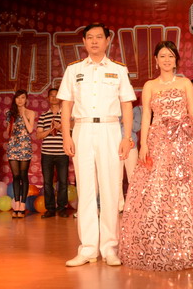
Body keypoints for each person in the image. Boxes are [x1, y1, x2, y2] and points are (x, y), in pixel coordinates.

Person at [119, 41, 193, 271]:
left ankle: (191, 241)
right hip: (159, 141)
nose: (166, 60)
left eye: (170, 56)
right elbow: (147, 116)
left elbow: (192, 112)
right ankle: (158, 242)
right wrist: (144, 144)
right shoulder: (150, 85)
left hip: (183, 140)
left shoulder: (184, 83)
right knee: (158, 189)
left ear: (176, 60)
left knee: (187, 187)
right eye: (162, 56)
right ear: (156, 60)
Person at [58, 23, 136, 267]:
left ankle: (110, 248)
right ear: (83, 41)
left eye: (99, 37)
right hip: (82, 130)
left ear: (107, 40)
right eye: (89, 37)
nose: (94, 41)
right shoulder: (74, 70)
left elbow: (126, 105)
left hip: (110, 129)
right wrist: (66, 135)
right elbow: (66, 105)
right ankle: (88, 249)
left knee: (111, 189)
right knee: (86, 190)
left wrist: (126, 137)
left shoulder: (118, 69)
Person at [37, 88, 70, 218]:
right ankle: (50, 209)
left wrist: (60, 127)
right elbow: (38, 135)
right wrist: (50, 130)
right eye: (51, 95)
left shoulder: (66, 115)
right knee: (47, 182)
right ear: (48, 98)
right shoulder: (43, 116)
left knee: (63, 181)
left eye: (56, 95)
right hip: (47, 154)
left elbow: (71, 133)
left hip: (62, 153)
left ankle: (62, 208)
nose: (54, 97)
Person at [6, 90, 36, 218]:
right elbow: (8, 132)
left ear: (26, 99)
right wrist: (11, 124)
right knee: (16, 176)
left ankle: (22, 205)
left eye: (22, 98)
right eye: (17, 98)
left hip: (24, 147)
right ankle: (16, 204)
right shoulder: (10, 113)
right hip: (13, 146)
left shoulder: (30, 113)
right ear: (15, 99)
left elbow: (30, 129)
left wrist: (23, 115)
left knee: (23, 176)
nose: (20, 100)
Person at [118, 100, 141, 211]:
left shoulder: (136, 109)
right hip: (116, 145)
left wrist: (127, 120)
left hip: (132, 145)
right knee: (117, 177)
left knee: (133, 176)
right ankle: (119, 205)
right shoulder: (115, 107)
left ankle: (133, 204)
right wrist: (123, 121)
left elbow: (137, 127)